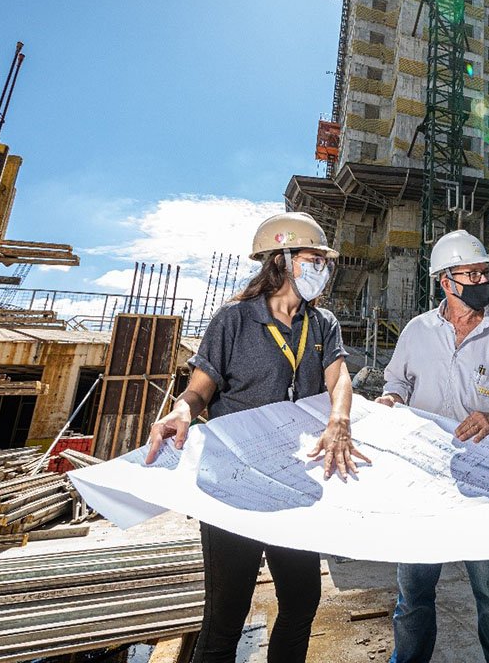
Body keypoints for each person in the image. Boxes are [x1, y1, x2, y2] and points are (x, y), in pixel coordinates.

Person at [145, 211, 368, 663]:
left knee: (303, 602)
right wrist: (181, 411)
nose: (321, 269)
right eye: (312, 258)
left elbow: (339, 378)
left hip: (293, 485)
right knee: (225, 617)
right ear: (282, 259)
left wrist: (339, 419)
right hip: (235, 484)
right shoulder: (234, 319)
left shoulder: (322, 323)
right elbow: (199, 389)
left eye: (323, 261)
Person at [378, 229, 489, 663]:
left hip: (481, 480)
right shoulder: (417, 332)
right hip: (423, 481)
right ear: (445, 282)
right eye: (469, 273)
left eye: (484, 272)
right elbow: (397, 380)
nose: (480, 280)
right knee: (413, 592)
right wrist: (392, 398)